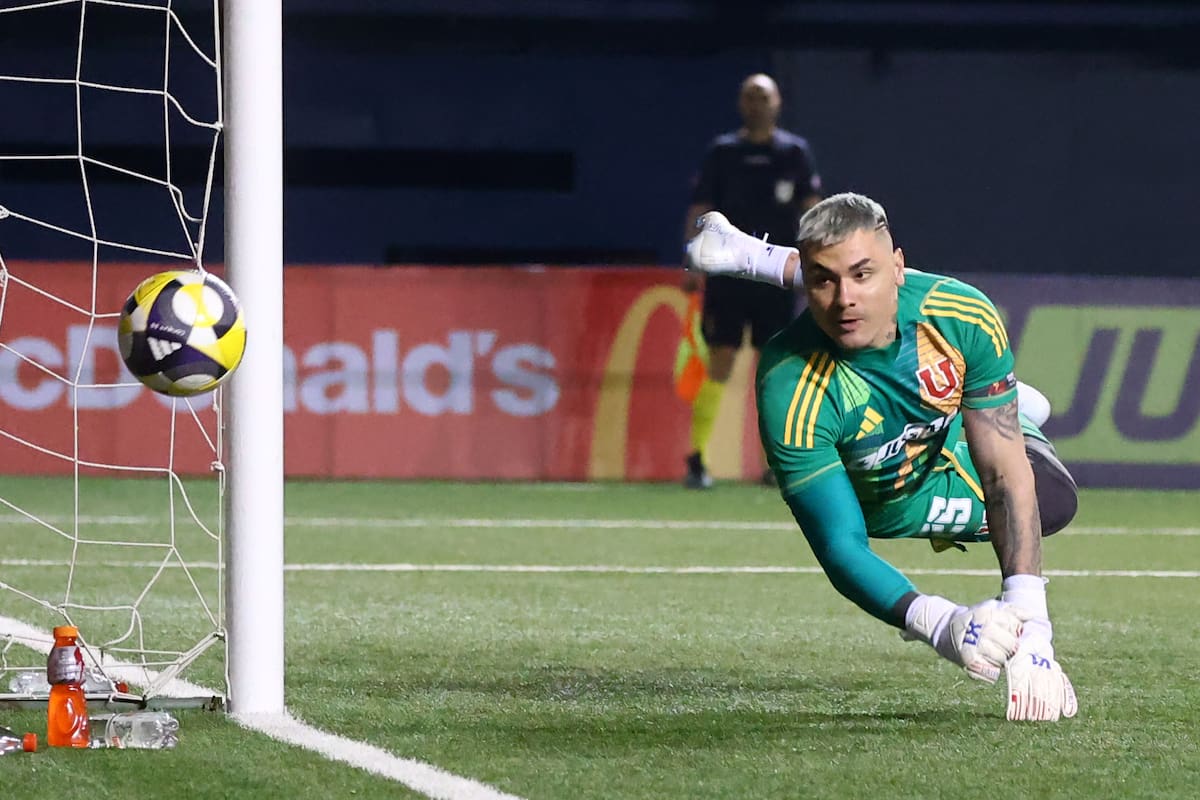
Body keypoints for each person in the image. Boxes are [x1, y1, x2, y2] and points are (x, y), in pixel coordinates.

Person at [685, 192, 1080, 722]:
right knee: (1032, 466)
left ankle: (756, 256)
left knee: (1051, 498)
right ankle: (978, 393)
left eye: (864, 273)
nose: (844, 299)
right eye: (821, 279)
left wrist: (1034, 626)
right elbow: (839, 545)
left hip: (942, 444)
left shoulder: (959, 313)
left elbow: (1006, 474)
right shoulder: (789, 383)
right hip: (896, 502)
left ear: (899, 268)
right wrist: (938, 622)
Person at [681, 73, 823, 489]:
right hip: (726, 274)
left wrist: (819, 260)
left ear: (778, 102)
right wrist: (690, 258)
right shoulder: (723, 152)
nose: (756, 103)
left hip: (777, 275)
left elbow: (813, 210)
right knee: (721, 360)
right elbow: (701, 206)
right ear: (741, 104)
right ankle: (697, 458)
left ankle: (772, 464)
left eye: (764, 96)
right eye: (749, 96)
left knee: (773, 368)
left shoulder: (795, 153)